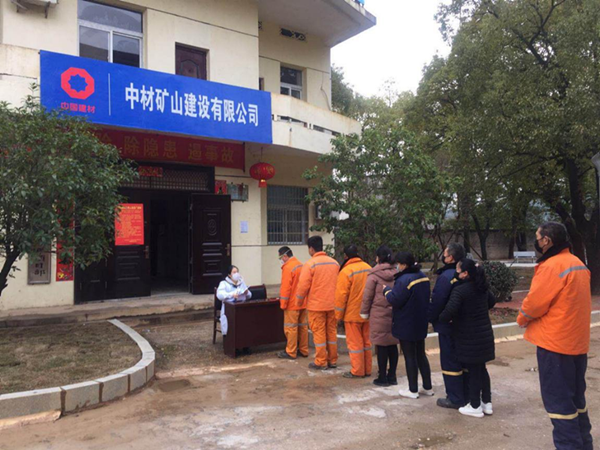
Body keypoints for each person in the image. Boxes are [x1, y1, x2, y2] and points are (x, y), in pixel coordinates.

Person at [517, 222, 593, 449]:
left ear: (546, 240)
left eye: (537, 237)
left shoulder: (552, 266)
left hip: (555, 345)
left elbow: (534, 304)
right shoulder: (578, 263)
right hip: (577, 344)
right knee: (577, 402)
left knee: (560, 406)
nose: (536, 241)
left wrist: (521, 319)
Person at [439, 258, 496, 418]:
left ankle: (475, 405)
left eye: (458, 270)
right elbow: (491, 302)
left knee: (474, 371)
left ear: (465, 273)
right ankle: (487, 402)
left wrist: (441, 319)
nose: (456, 273)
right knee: (481, 369)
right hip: (484, 334)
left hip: (469, 337)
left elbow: (449, 311)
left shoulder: (461, 290)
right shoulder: (482, 287)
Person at [383, 252, 433, 399]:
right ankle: (427, 387)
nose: (397, 267)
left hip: (406, 322)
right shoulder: (422, 276)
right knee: (421, 354)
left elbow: (395, 299)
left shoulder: (404, 279)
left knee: (410, 356)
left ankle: (413, 389)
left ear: (404, 265)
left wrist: (386, 291)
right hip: (420, 321)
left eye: (398, 264)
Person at [428, 242, 467, 409]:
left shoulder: (446, 277)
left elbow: (438, 301)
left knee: (450, 361)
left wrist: (432, 318)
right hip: (465, 324)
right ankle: (467, 394)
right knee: (464, 360)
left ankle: (455, 397)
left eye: (445, 254)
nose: (443, 256)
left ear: (450, 257)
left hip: (448, 325)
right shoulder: (467, 273)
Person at [296, 236, 340, 370]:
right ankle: (332, 360)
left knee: (319, 333)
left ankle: (321, 361)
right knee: (331, 332)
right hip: (333, 305)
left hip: (316, 306)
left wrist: (299, 302)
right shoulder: (335, 264)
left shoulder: (310, 264)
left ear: (311, 249)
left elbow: (303, 286)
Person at [360, 245, 398, 387]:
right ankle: (392, 376)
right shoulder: (397, 273)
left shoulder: (374, 275)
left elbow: (367, 297)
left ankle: (382, 377)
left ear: (378, 258)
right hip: (394, 313)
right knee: (393, 344)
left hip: (379, 314)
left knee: (381, 346)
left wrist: (364, 313)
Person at [335, 245, 372, 378]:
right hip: (367, 313)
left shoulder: (346, 271)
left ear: (346, 256)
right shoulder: (368, 268)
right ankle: (367, 369)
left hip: (352, 315)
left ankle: (357, 371)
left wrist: (338, 316)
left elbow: (341, 296)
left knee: (355, 344)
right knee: (367, 343)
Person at [277, 246, 308, 360]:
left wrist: (283, 304)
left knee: (291, 328)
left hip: (292, 304)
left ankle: (291, 351)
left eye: (280, 258)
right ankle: (304, 350)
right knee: (303, 327)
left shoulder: (288, 267)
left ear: (285, 256)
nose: (281, 260)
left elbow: (286, 288)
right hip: (303, 302)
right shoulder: (300, 265)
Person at [216, 265, 252, 336]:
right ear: (229, 275)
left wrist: (247, 292)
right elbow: (220, 295)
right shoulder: (224, 283)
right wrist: (232, 294)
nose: (236, 274)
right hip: (229, 309)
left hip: (241, 307)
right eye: (234, 272)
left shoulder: (241, 283)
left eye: (237, 272)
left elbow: (249, 295)